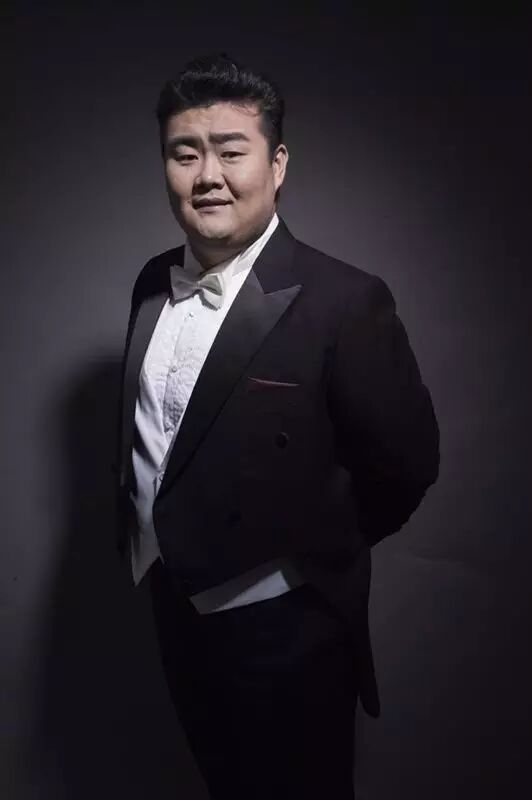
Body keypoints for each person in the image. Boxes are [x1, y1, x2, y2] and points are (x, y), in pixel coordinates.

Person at [114, 52, 440, 800]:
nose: (207, 175)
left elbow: (407, 467)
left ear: (278, 163)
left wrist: (304, 563)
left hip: (286, 632)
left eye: (231, 151)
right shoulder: (150, 283)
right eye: (184, 154)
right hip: (172, 607)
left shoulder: (345, 300)